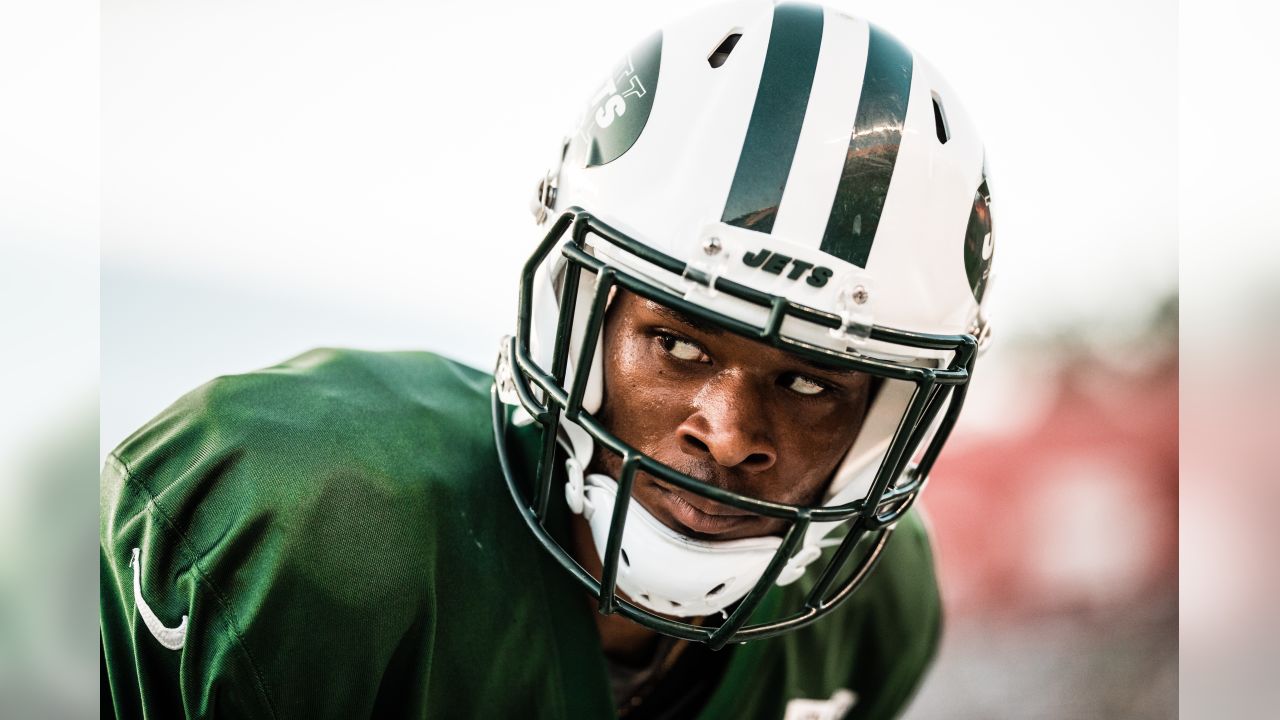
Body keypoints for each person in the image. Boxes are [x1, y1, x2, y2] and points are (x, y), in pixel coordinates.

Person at [100, 1, 995, 717]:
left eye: (808, 382)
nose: (728, 437)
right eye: (678, 344)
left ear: (885, 420)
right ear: (579, 322)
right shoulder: (302, 529)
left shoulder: (874, 615)